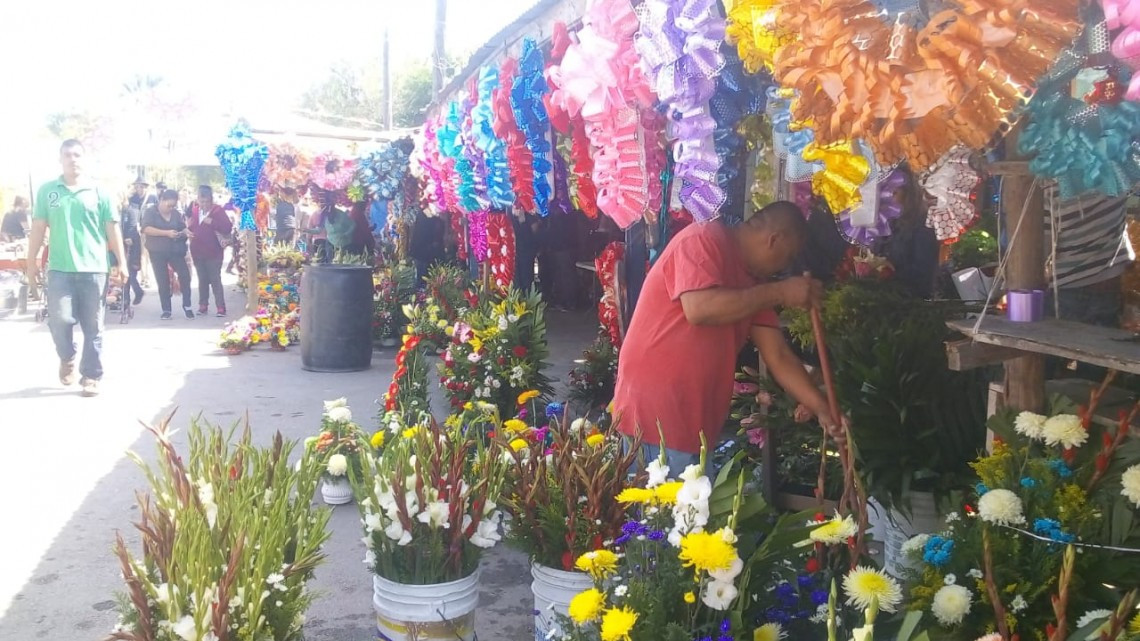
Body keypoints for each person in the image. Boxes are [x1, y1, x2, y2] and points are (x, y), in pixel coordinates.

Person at [612, 201, 841, 472]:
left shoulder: (755, 284)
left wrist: (823, 408)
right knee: (660, 512)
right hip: (656, 416)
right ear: (773, 240)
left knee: (687, 512)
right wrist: (781, 292)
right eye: (788, 257)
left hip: (694, 422)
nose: (784, 268)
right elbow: (700, 309)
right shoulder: (703, 238)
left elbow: (778, 356)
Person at [25, 139, 126, 397]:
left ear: (85, 158)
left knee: (94, 325)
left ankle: (91, 376)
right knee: (59, 321)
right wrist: (31, 263)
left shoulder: (99, 191)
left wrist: (122, 262)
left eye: (78, 154)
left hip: (94, 270)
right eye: (68, 155)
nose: (73, 159)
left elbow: (112, 229)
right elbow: (38, 228)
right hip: (59, 269)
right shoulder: (48, 191)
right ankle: (67, 356)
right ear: (60, 159)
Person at [142, 189, 194, 320]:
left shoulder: (175, 214)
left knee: (185, 276)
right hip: (157, 251)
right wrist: (166, 233)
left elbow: (182, 226)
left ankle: (187, 305)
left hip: (175, 250)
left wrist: (186, 231)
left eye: (173, 206)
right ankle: (166, 309)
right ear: (162, 200)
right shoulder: (151, 212)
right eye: (168, 205)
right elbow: (146, 229)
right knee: (163, 280)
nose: (170, 208)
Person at [186, 185, 232, 316]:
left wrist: (212, 222)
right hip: (197, 251)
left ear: (211, 200)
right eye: (202, 201)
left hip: (214, 252)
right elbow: (190, 226)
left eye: (207, 201)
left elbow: (227, 227)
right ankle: (203, 305)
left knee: (215, 279)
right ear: (198, 199)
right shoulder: (194, 211)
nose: (204, 204)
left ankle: (220, 307)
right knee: (202, 279)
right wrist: (188, 229)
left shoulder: (217, 211)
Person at [120, 180, 147, 304]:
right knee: (124, 273)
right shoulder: (120, 209)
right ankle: (127, 297)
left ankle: (131, 296)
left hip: (131, 243)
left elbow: (132, 225)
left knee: (130, 272)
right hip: (120, 243)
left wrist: (128, 238)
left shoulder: (132, 207)